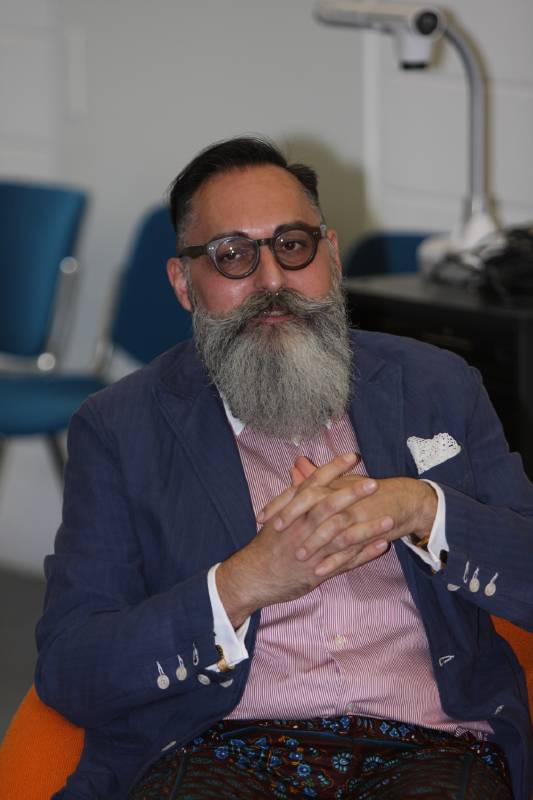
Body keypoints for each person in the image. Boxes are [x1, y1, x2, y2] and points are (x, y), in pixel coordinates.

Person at [35, 137, 533, 800]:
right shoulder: (121, 428)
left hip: (431, 742)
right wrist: (242, 583)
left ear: (331, 256)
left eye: (292, 245)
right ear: (183, 283)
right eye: (232, 254)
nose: (271, 281)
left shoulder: (435, 385)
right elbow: (71, 669)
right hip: (221, 745)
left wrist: (422, 509)